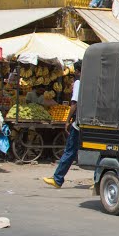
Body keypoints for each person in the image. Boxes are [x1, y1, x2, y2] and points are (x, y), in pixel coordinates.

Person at [43, 61, 82, 189]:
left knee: (70, 150)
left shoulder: (78, 82)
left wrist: (67, 120)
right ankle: (96, 181)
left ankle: (57, 179)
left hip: (79, 123)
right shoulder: (93, 81)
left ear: (77, 71)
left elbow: (74, 104)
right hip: (89, 122)